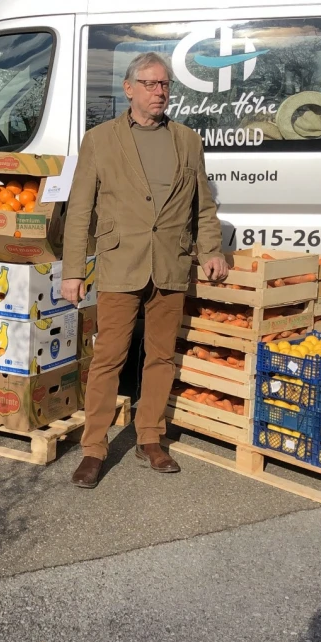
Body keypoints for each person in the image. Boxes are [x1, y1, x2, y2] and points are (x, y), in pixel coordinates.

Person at [60, 52, 228, 489]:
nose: (160, 92)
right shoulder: (100, 139)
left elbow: (202, 205)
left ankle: (149, 438)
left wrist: (212, 249)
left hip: (170, 262)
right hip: (120, 262)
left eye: (165, 85)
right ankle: (94, 448)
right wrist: (73, 271)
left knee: (159, 356)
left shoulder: (187, 140)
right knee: (108, 357)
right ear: (129, 88)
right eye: (150, 84)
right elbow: (80, 211)